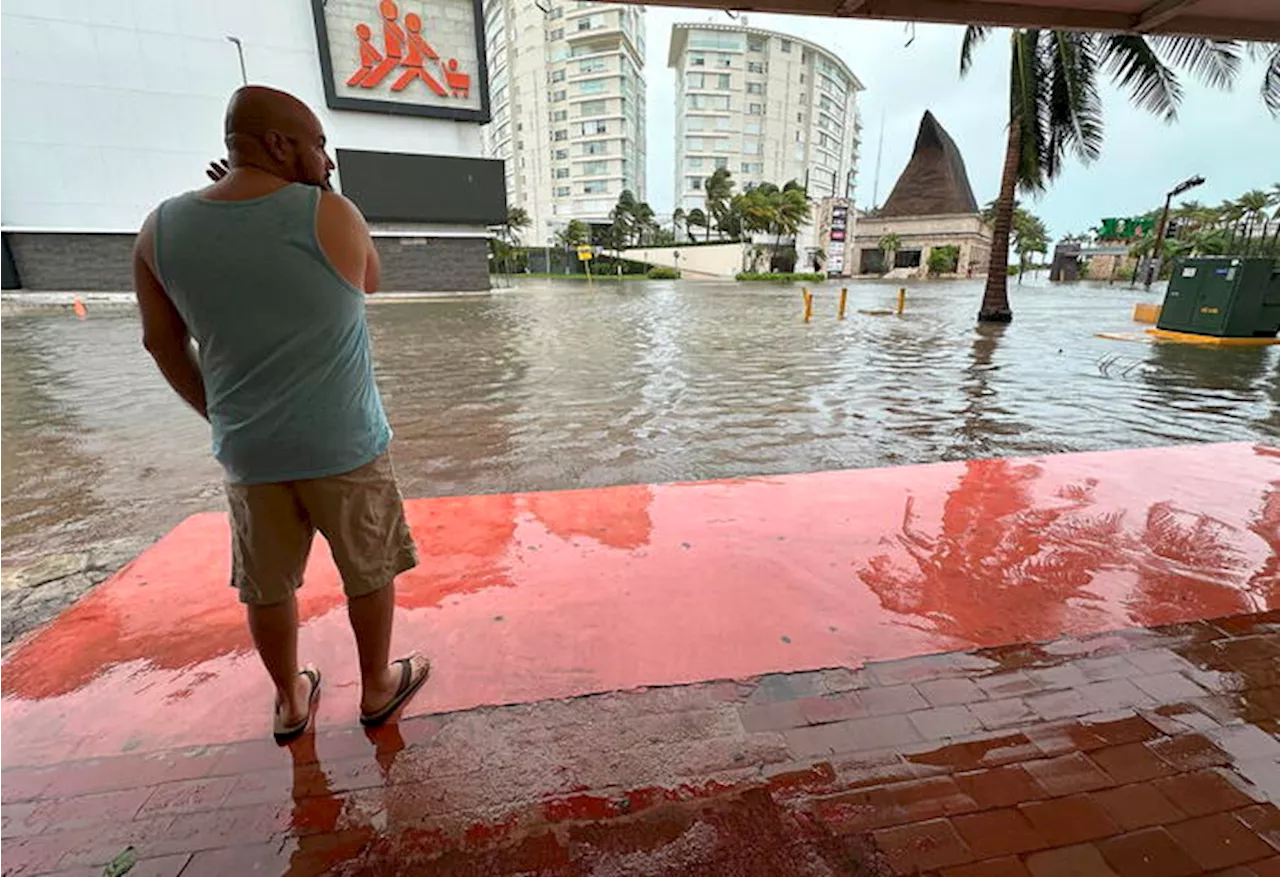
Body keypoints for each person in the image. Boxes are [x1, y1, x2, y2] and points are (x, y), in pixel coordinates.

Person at [132, 86, 430, 743]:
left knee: (266, 586)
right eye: (318, 144)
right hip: (345, 443)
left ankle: (290, 701)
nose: (325, 158)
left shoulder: (159, 229)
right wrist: (322, 192)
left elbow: (161, 342)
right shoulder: (332, 214)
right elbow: (370, 278)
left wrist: (219, 414)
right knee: (369, 568)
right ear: (277, 144)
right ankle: (378, 685)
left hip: (250, 452)